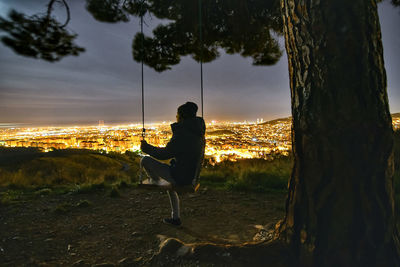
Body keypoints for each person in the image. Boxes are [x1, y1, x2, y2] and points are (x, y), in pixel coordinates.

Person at [140, 102, 206, 226]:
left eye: (177, 115)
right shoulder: (198, 132)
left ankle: (154, 180)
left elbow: (165, 154)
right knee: (171, 188)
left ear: (181, 116)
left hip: (181, 176)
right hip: (191, 176)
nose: (176, 117)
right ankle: (175, 218)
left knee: (144, 160)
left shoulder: (182, 134)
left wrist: (147, 148)